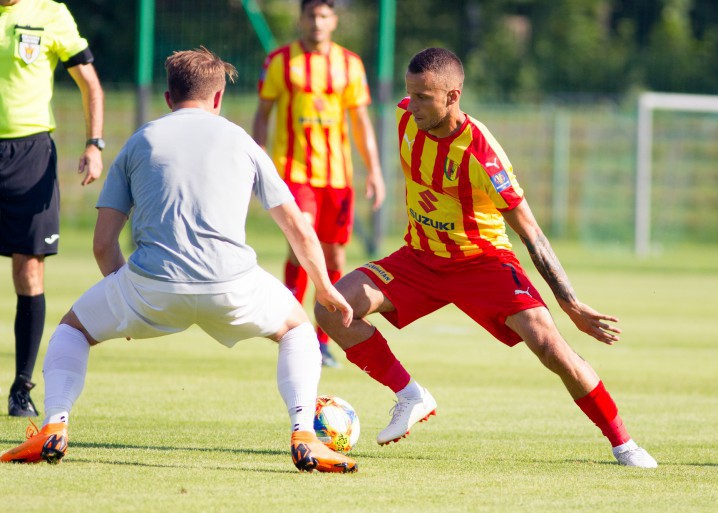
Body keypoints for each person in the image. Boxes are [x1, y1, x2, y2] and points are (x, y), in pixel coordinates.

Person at [0, 47, 358, 474]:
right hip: (233, 285)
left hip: (151, 284)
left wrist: (124, 303)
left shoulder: (140, 141)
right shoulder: (241, 141)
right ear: (219, 98)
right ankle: (304, 434)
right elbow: (298, 228)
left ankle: (54, 424)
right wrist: (325, 286)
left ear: (168, 98)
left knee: (71, 332)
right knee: (298, 331)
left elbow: (102, 243)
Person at [315, 47, 658, 468]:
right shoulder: (408, 116)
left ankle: (624, 443)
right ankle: (410, 396)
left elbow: (531, 232)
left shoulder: (482, 155)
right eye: (410, 94)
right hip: (420, 259)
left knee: (550, 347)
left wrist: (569, 304)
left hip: (482, 263)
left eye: (425, 97)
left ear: (453, 96)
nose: (413, 105)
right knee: (332, 308)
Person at [252, 0, 385, 368]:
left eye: (324, 15)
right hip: (294, 173)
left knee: (335, 256)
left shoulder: (350, 64)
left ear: (334, 21)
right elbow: (262, 115)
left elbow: (360, 123)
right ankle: (293, 333)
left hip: (337, 179)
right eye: (311, 14)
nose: (317, 22)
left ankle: (323, 337)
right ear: (301, 18)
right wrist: (257, 161)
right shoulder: (281, 60)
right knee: (302, 242)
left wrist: (374, 170)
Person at [0, 0, 104, 417]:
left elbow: (90, 84)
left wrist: (94, 144)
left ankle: (22, 388)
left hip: (30, 154)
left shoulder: (51, 14)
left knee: (29, 269)